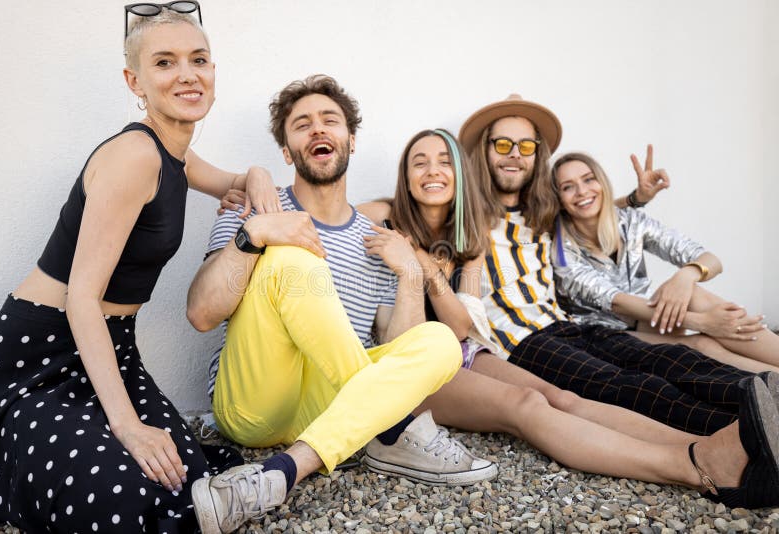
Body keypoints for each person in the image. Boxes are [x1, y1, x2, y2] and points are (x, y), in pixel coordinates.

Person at [0, 4, 284, 532]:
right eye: (164, 62)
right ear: (134, 80)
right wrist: (127, 425)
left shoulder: (177, 155)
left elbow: (233, 181)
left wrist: (256, 172)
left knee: (182, 472)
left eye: (199, 59)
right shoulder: (134, 156)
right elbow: (80, 298)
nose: (187, 74)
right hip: (34, 363)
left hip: (108, 349)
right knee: (118, 494)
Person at [358, 127, 779, 508]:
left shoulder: (509, 224)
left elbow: (588, 206)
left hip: (547, 327)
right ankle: (735, 443)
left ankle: (754, 413)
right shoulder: (429, 218)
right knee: (617, 386)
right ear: (481, 157)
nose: (514, 154)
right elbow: (341, 219)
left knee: (656, 363)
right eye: (501, 144)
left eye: (525, 145)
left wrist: (633, 200)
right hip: (507, 343)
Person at [186, 75, 497, 534]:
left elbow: (400, 350)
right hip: (255, 403)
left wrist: (410, 275)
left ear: (350, 141)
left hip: (332, 407)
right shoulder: (253, 209)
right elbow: (201, 313)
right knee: (295, 256)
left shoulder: (375, 240)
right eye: (302, 124)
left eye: (329, 121)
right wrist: (257, 234)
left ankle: (281, 473)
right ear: (288, 152)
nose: (317, 129)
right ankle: (391, 431)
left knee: (441, 341)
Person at [549, 149, 779, 374]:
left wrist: (686, 276)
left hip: (647, 317)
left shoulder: (629, 221)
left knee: (693, 294)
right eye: (568, 187)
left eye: (589, 180)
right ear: (558, 199)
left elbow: (711, 260)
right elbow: (616, 302)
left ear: (602, 183)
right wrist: (703, 323)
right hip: (602, 336)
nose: (582, 191)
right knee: (702, 345)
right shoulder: (561, 251)